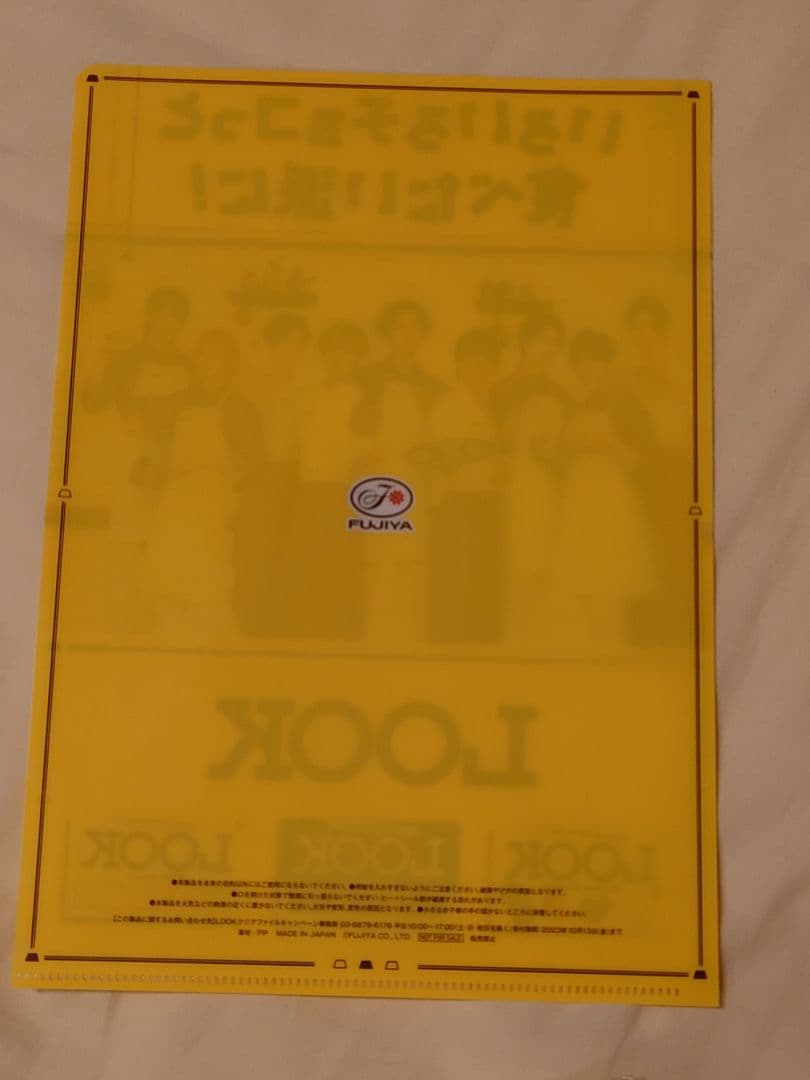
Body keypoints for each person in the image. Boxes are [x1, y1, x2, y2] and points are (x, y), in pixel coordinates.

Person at [81, 288, 191, 631]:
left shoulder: (186, 365)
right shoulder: (126, 360)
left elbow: (192, 415)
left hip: (170, 458)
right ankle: (120, 616)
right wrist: (97, 362)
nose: (168, 322)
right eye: (162, 314)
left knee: (158, 536)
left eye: (176, 316)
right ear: (151, 316)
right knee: (126, 534)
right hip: (132, 454)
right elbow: (94, 402)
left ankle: (148, 615)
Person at [144, 330, 263, 639]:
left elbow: (249, 461)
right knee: (167, 573)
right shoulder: (181, 403)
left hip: (212, 497)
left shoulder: (238, 406)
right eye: (204, 355)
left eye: (218, 356)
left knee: (208, 577)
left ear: (231, 364)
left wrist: (220, 474)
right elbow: (158, 445)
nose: (209, 363)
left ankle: (210, 648)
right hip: (175, 496)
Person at [553, 330, 656, 651]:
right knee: (582, 586)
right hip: (579, 500)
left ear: (608, 364)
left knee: (611, 583)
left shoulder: (628, 405)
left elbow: (643, 463)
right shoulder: (577, 405)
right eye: (580, 364)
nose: (586, 370)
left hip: (611, 501)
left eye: (593, 362)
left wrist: (607, 446)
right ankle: (594, 657)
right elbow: (565, 459)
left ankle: (614, 655)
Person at [426, 329, 504, 643]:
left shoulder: (488, 407)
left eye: (488, 361)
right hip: (456, 504)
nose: (480, 367)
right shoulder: (448, 406)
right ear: (459, 363)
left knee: (480, 585)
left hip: (485, 503)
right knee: (454, 585)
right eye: (473, 360)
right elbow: (443, 460)